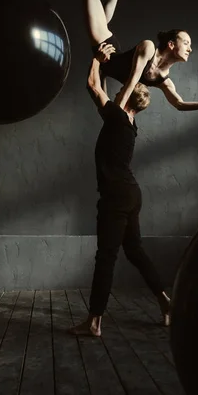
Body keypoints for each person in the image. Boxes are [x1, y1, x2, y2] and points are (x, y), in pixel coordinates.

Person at [70, 47, 171, 337]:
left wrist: (96, 57)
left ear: (126, 102)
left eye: (121, 95)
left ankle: (94, 322)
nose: (116, 95)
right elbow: (99, 89)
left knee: (106, 256)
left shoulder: (117, 118)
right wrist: (100, 69)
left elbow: (92, 85)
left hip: (117, 197)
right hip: (130, 194)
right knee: (135, 251)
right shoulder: (127, 123)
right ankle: (166, 303)